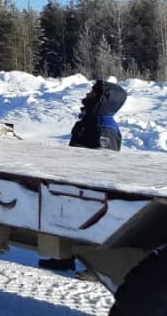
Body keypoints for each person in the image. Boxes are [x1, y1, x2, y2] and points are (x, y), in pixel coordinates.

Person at [39, 79, 128, 272]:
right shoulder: (89, 120)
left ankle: (96, 269)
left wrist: (93, 182)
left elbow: (104, 160)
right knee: (69, 220)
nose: (87, 95)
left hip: (93, 185)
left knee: (94, 227)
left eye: (93, 93)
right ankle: (64, 258)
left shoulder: (104, 126)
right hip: (77, 180)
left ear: (104, 100)